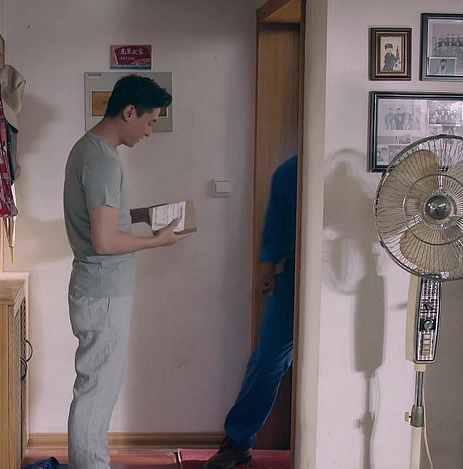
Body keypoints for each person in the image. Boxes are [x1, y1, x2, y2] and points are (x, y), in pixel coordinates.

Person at [63, 75, 189, 468]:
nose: (149, 131)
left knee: (97, 388)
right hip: (103, 292)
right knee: (97, 392)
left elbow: (101, 220)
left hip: (98, 289)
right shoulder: (101, 159)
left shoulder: (89, 148)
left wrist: (141, 216)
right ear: (129, 112)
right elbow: (104, 241)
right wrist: (158, 242)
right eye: (149, 122)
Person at [205, 155, 297, 469]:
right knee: (268, 360)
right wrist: (267, 268)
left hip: (342, 281)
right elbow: (274, 225)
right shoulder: (288, 171)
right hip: (293, 278)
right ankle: (238, 442)